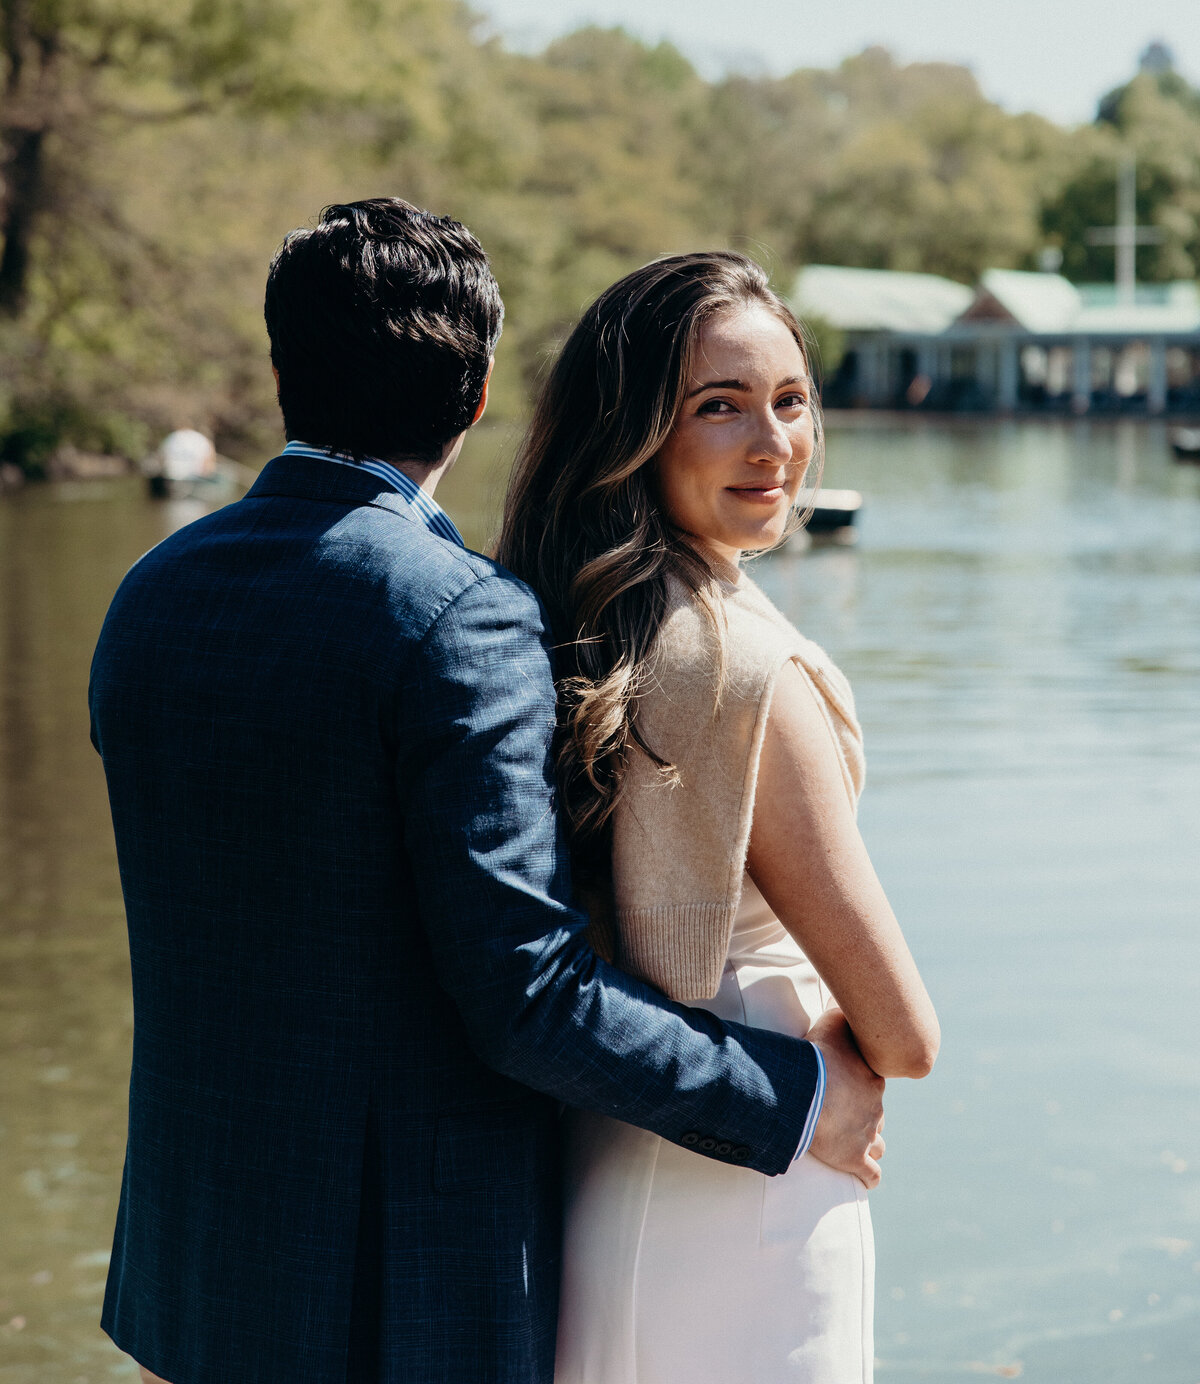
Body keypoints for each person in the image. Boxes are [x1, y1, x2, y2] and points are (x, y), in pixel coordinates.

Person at [89, 202, 885, 1384]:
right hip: (397, 1294)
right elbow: (529, 996)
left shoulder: (151, 596)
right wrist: (790, 1092)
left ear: (281, 369)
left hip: (192, 1268)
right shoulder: (457, 615)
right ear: (476, 395)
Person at [497, 251, 940, 1384]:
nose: (772, 443)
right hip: (758, 1173)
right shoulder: (752, 670)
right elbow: (907, 1034)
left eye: (790, 400)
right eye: (719, 406)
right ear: (634, 433)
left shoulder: (553, 632)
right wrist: (844, 1055)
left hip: (608, 1147)